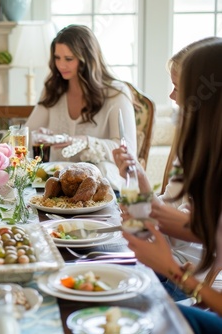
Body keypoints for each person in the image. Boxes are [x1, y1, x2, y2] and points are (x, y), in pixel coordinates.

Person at [123, 39, 222, 333]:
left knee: (139, 314)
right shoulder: (200, 144)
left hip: (193, 282)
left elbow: (190, 229)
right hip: (185, 275)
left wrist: (171, 270)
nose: (173, 96)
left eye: (181, 86)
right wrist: (136, 187)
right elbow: (164, 210)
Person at [26, 24, 136, 193]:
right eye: (57, 58)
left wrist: (85, 142)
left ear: (87, 59)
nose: (61, 65)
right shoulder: (53, 90)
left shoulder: (116, 93)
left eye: (69, 59)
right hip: (57, 186)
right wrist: (39, 137)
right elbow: (27, 135)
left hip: (100, 188)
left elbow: (127, 150)